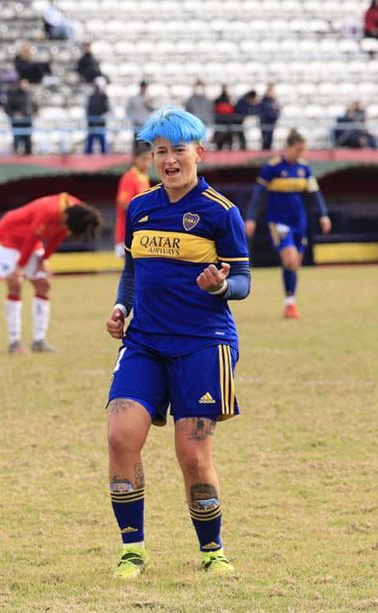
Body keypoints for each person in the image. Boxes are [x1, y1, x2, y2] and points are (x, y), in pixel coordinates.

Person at [105, 107, 250, 578]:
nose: (169, 160)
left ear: (199, 154)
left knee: (192, 454)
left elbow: (244, 280)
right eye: (160, 151)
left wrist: (220, 287)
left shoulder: (221, 212)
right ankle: (133, 550)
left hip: (203, 344)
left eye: (178, 150)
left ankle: (212, 550)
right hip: (145, 341)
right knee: (120, 437)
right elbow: (132, 270)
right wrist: (122, 308)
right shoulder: (140, 207)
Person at [0, 194, 101, 353]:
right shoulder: (48, 210)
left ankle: (39, 341)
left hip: (30, 241)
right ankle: (14, 342)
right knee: (15, 283)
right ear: (64, 215)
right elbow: (32, 237)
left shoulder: (78, 213)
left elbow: (60, 234)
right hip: (8, 238)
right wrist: (20, 267)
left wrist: (44, 259)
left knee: (44, 283)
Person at [244, 129, 330, 319]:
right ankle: (290, 304)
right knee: (290, 259)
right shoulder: (272, 167)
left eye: (303, 150)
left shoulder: (304, 168)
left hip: (300, 222)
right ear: (288, 147)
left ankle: (290, 302)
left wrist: (323, 215)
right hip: (279, 222)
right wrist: (250, 218)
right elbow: (258, 194)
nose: (300, 154)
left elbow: (315, 193)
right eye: (298, 150)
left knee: (294, 264)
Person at [114, 142, 152, 258]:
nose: (147, 163)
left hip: (141, 232)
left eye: (149, 159)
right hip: (128, 232)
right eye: (143, 159)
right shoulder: (129, 177)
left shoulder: (144, 178)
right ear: (135, 159)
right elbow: (124, 204)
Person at [4, 78, 38, 155]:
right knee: (17, 139)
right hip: (17, 122)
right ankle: (16, 156)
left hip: (28, 121)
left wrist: (35, 112)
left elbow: (35, 106)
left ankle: (28, 155)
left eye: (26, 83)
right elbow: (7, 108)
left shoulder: (31, 95)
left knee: (28, 140)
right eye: (23, 83)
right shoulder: (13, 95)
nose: (24, 85)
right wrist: (14, 114)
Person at [85, 79, 110, 155]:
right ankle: (87, 158)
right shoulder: (90, 97)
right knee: (90, 142)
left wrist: (101, 118)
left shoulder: (104, 98)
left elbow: (108, 110)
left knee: (102, 142)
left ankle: (104, 158)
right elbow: (87, 110)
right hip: (91, 124)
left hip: (101, 124)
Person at [212, 86, 237, 150]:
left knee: (226, 140)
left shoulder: (228, 99)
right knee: (223, 140)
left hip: (226, 122)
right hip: (222, 122)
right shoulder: (222, 99)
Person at [259, 84, 281, 151]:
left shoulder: (274, 101)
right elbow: (263, 111)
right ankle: (265, 150)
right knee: (265, 137)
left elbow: (278, 111)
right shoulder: (263, 101)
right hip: (265, 121)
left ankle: (268, 150)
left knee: (270, 137)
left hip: (272, 121)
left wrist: (275, 115)